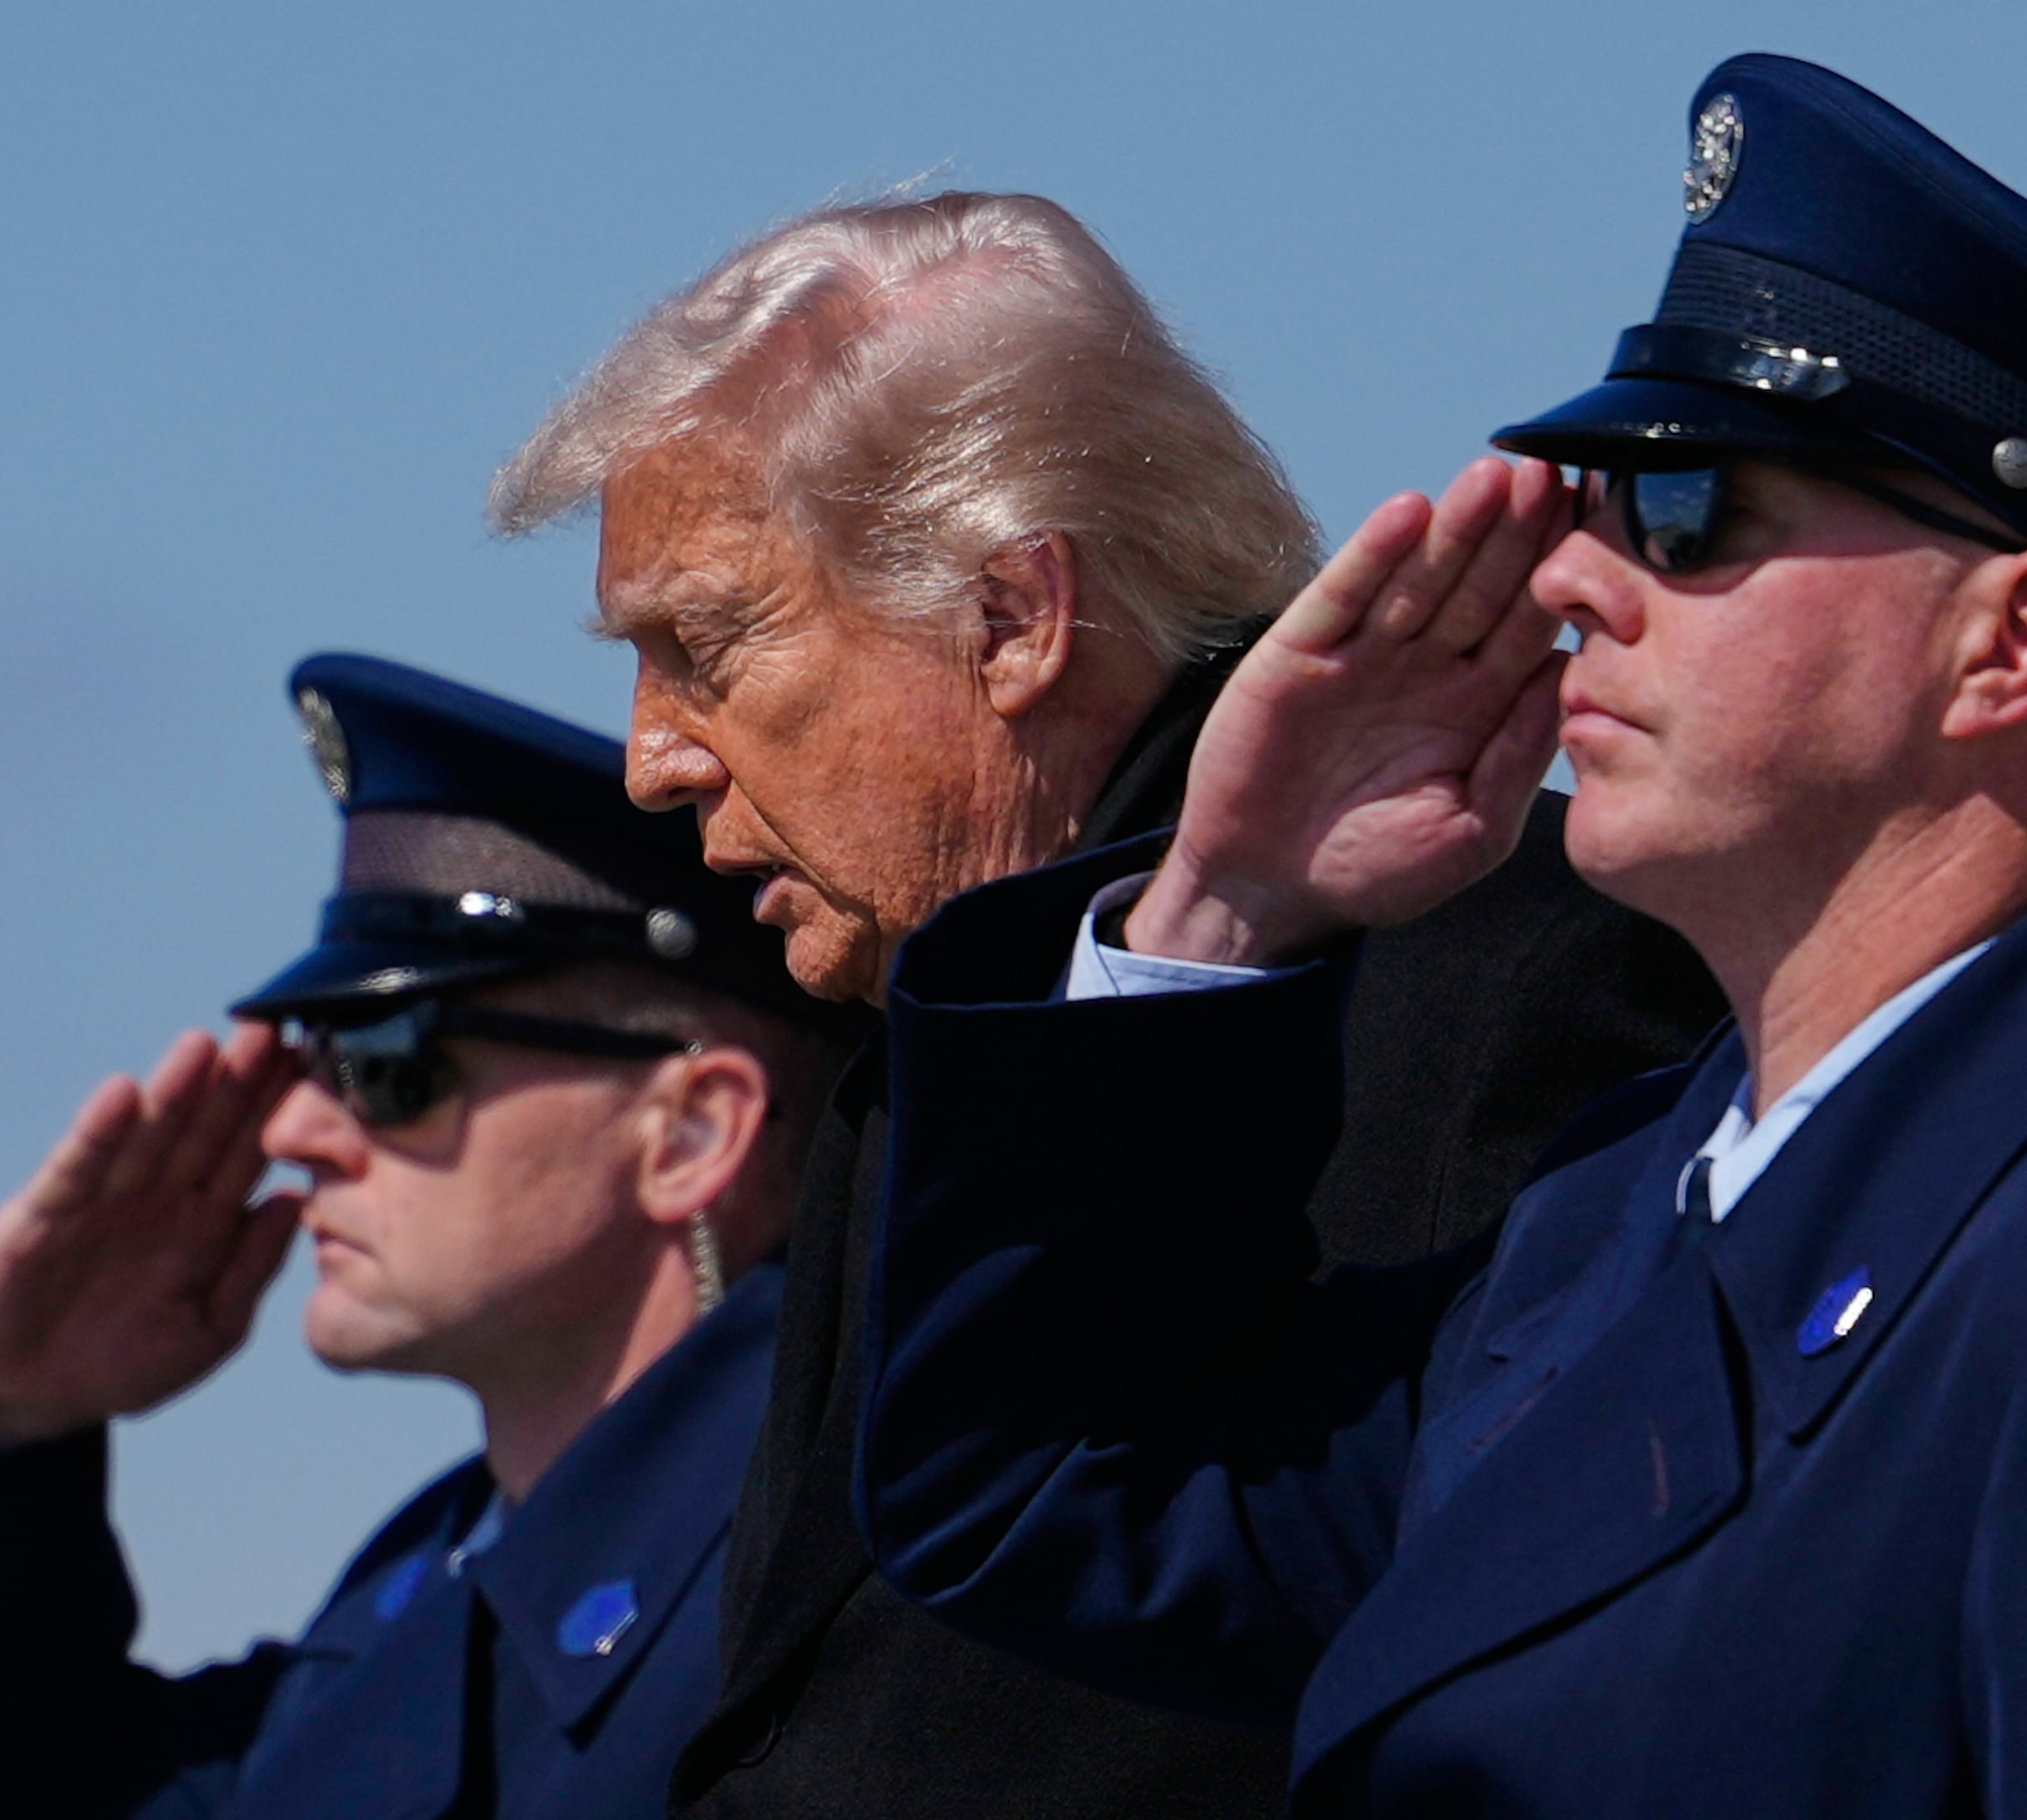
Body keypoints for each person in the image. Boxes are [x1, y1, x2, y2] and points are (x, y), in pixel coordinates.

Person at [853, 56, 2027, 1817]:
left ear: (2013, 643)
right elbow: (1050, 1489)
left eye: (1687, 511)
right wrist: (1223, 906)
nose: (1572, 582)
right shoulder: (1621, 1228)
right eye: (1596, 504)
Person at [490, 191, 1727, 1817]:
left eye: (707, 645)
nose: (652, 758)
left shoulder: (1510, 968)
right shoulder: (933, 1037)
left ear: (1014, 618)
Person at [0, 653, 861, 1820]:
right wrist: (3, 1435)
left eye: (387, 1064)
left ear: (690, 1133)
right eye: (308, 1061)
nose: (297, 1128)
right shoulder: (410, 1611)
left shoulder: (858, 1568)